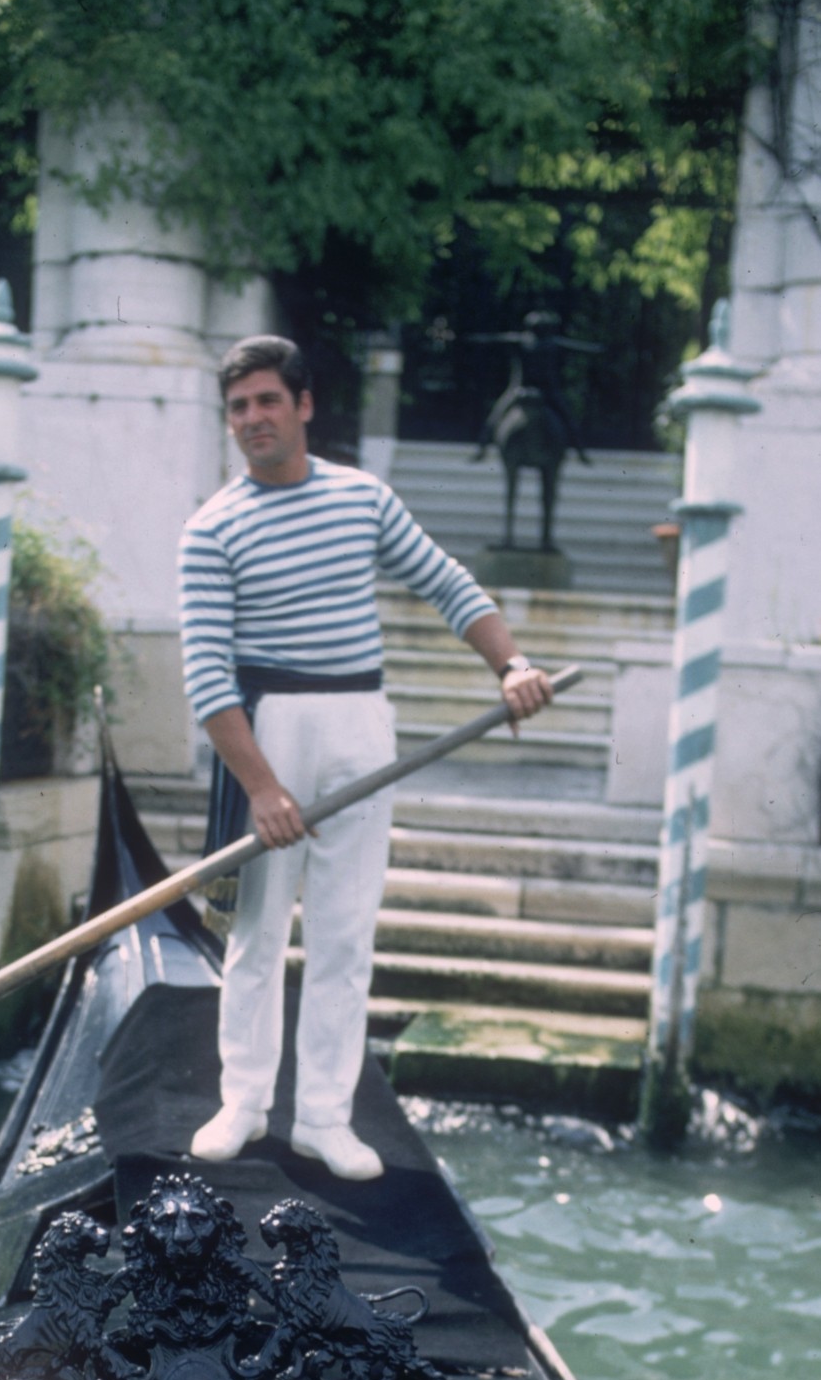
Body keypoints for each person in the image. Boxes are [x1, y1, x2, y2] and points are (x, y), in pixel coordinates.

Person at [180, 335, 555, 1181]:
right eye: (238, 407)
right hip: (265, 723)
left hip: (359, 722)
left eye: (267, 401)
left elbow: (448, 583)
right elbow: (205, 678)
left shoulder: (362, 500)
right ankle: (242, 1103)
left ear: (304, 406)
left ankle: (321, 1118)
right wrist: (263, 787)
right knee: (258, 928)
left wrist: (513, 665)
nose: (252, 420)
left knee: (346, 931)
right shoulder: (209, 529)